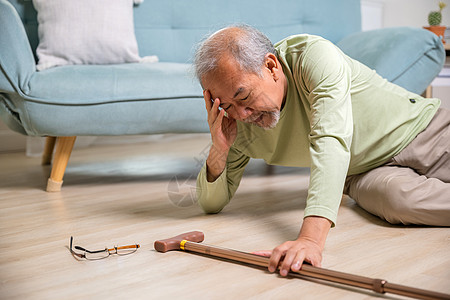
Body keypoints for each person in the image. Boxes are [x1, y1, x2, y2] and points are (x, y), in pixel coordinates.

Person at [193, 25, 450, 277]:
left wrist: (310, 240)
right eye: (226, 105)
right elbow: (211, 203)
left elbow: (330, 141)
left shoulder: (312, 57)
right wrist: (219, 148)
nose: (241, 114)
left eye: (244, 97)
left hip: (424, 131)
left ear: (271, 67)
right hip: (364, 172)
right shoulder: (238, 124)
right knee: (399, 202)